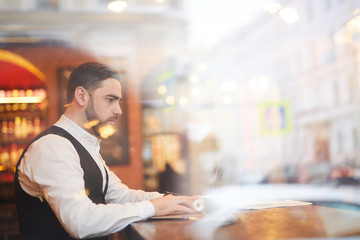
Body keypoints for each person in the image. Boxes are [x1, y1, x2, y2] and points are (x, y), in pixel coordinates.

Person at [14, 62, 197, 240]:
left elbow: (121, 196)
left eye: (118, 101)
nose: (118, 110)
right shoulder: (52, 147)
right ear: (82, 96)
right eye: (110, 100)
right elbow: (80, 222)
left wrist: (175, 201)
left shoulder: (85, 145)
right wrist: (154, 207)